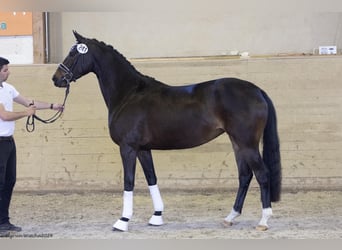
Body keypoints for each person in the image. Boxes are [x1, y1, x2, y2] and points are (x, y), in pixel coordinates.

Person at [0, 56, 63, 232]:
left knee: (9, 180)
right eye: (5, 69)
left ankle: (3, 221)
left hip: (8, 142)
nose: (8, 72)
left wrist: (52, 106)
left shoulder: (8, 88)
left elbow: (29, 101)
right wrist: (26, 113)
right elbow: (4, 116)